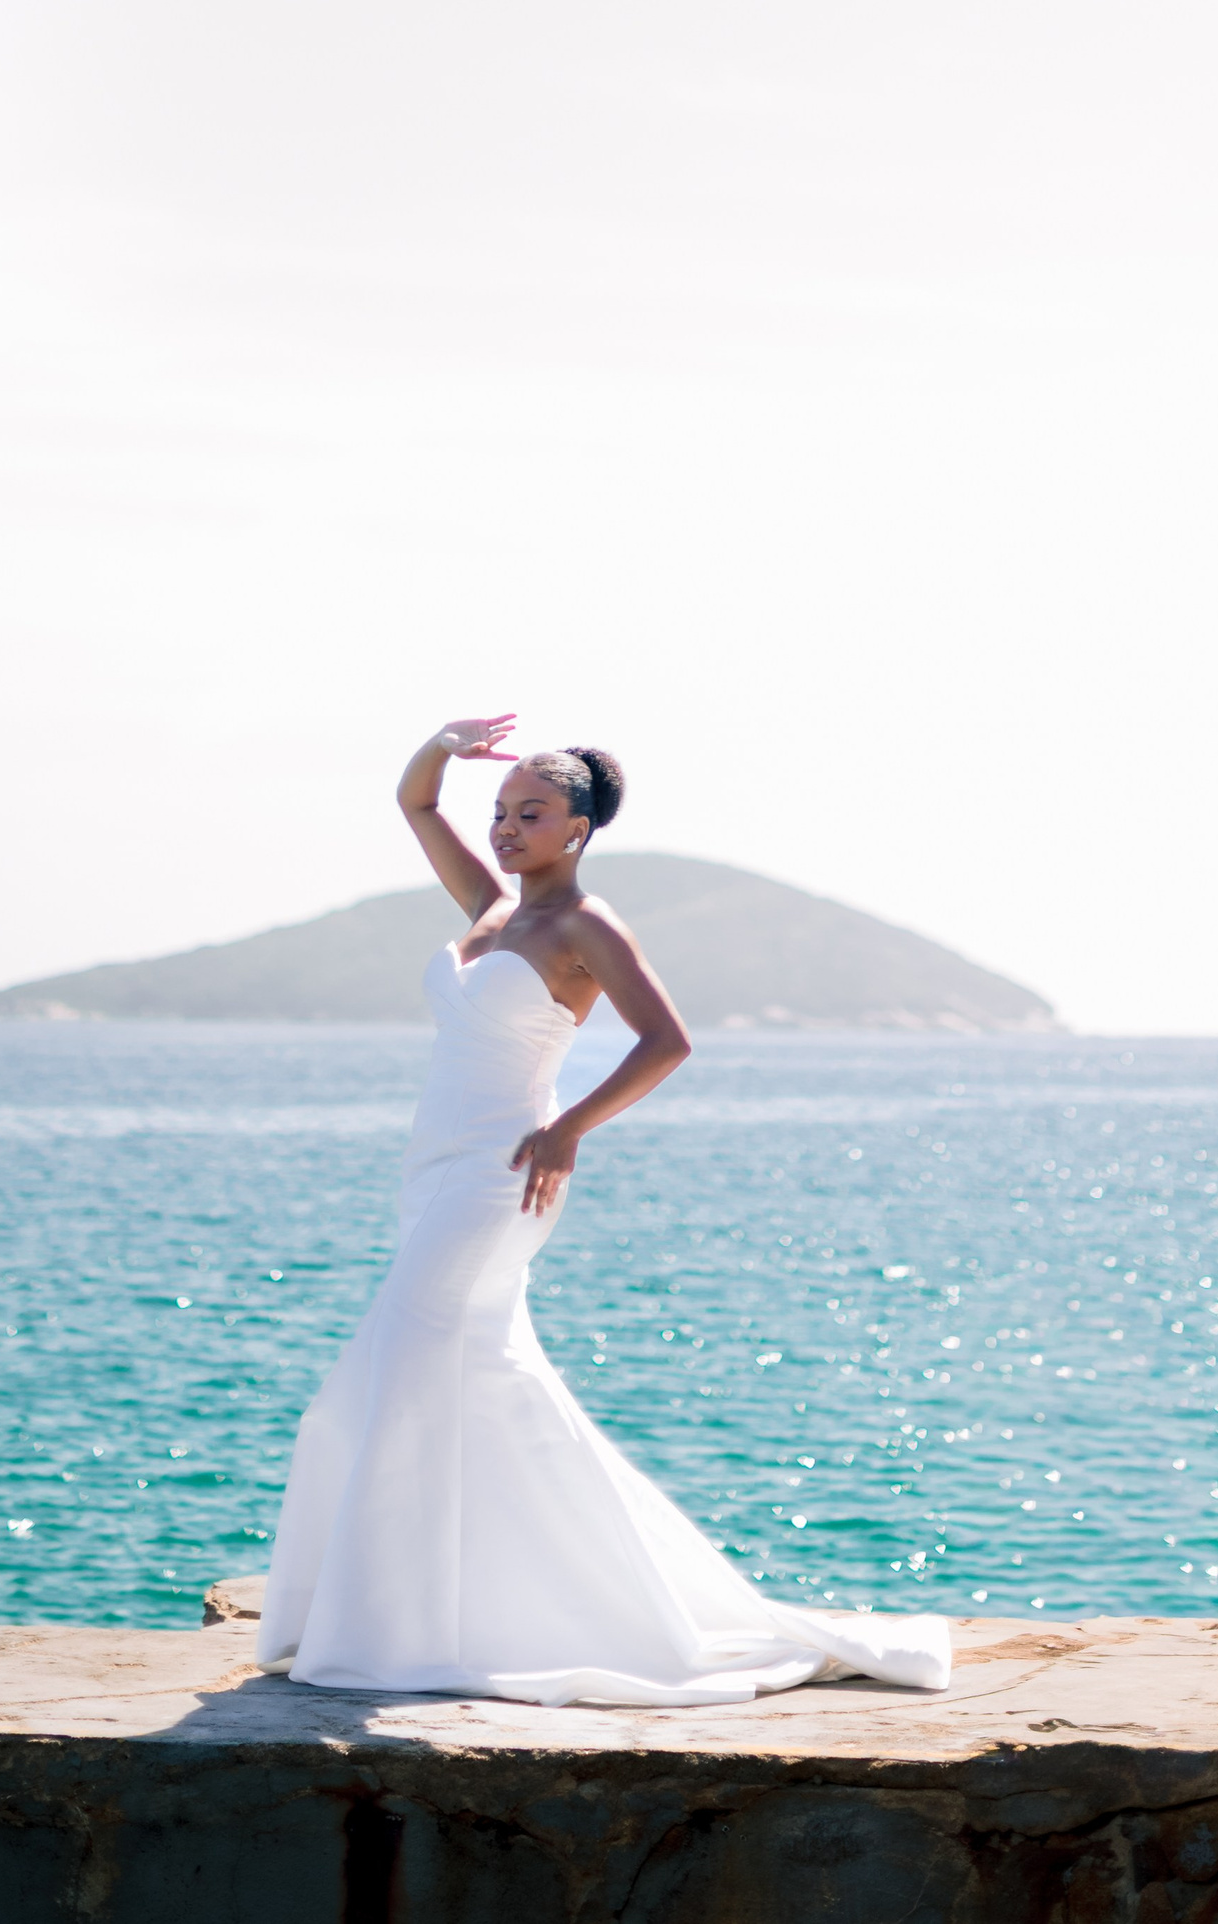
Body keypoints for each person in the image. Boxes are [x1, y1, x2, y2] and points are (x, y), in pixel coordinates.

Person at [256, 715, 950, 1706]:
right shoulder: (491, 908)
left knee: (385, 1382)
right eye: (502, 812)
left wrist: (570, 1126)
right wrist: (445, 745)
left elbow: (668, 1039)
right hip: (432, 1172)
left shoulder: (585, 925)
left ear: (577, 829)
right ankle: (503, 1608)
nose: (507, 827)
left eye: (531, 812)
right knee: (469, 1385)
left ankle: (379, 1632)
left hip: (502, 1174)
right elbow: (416, 801)